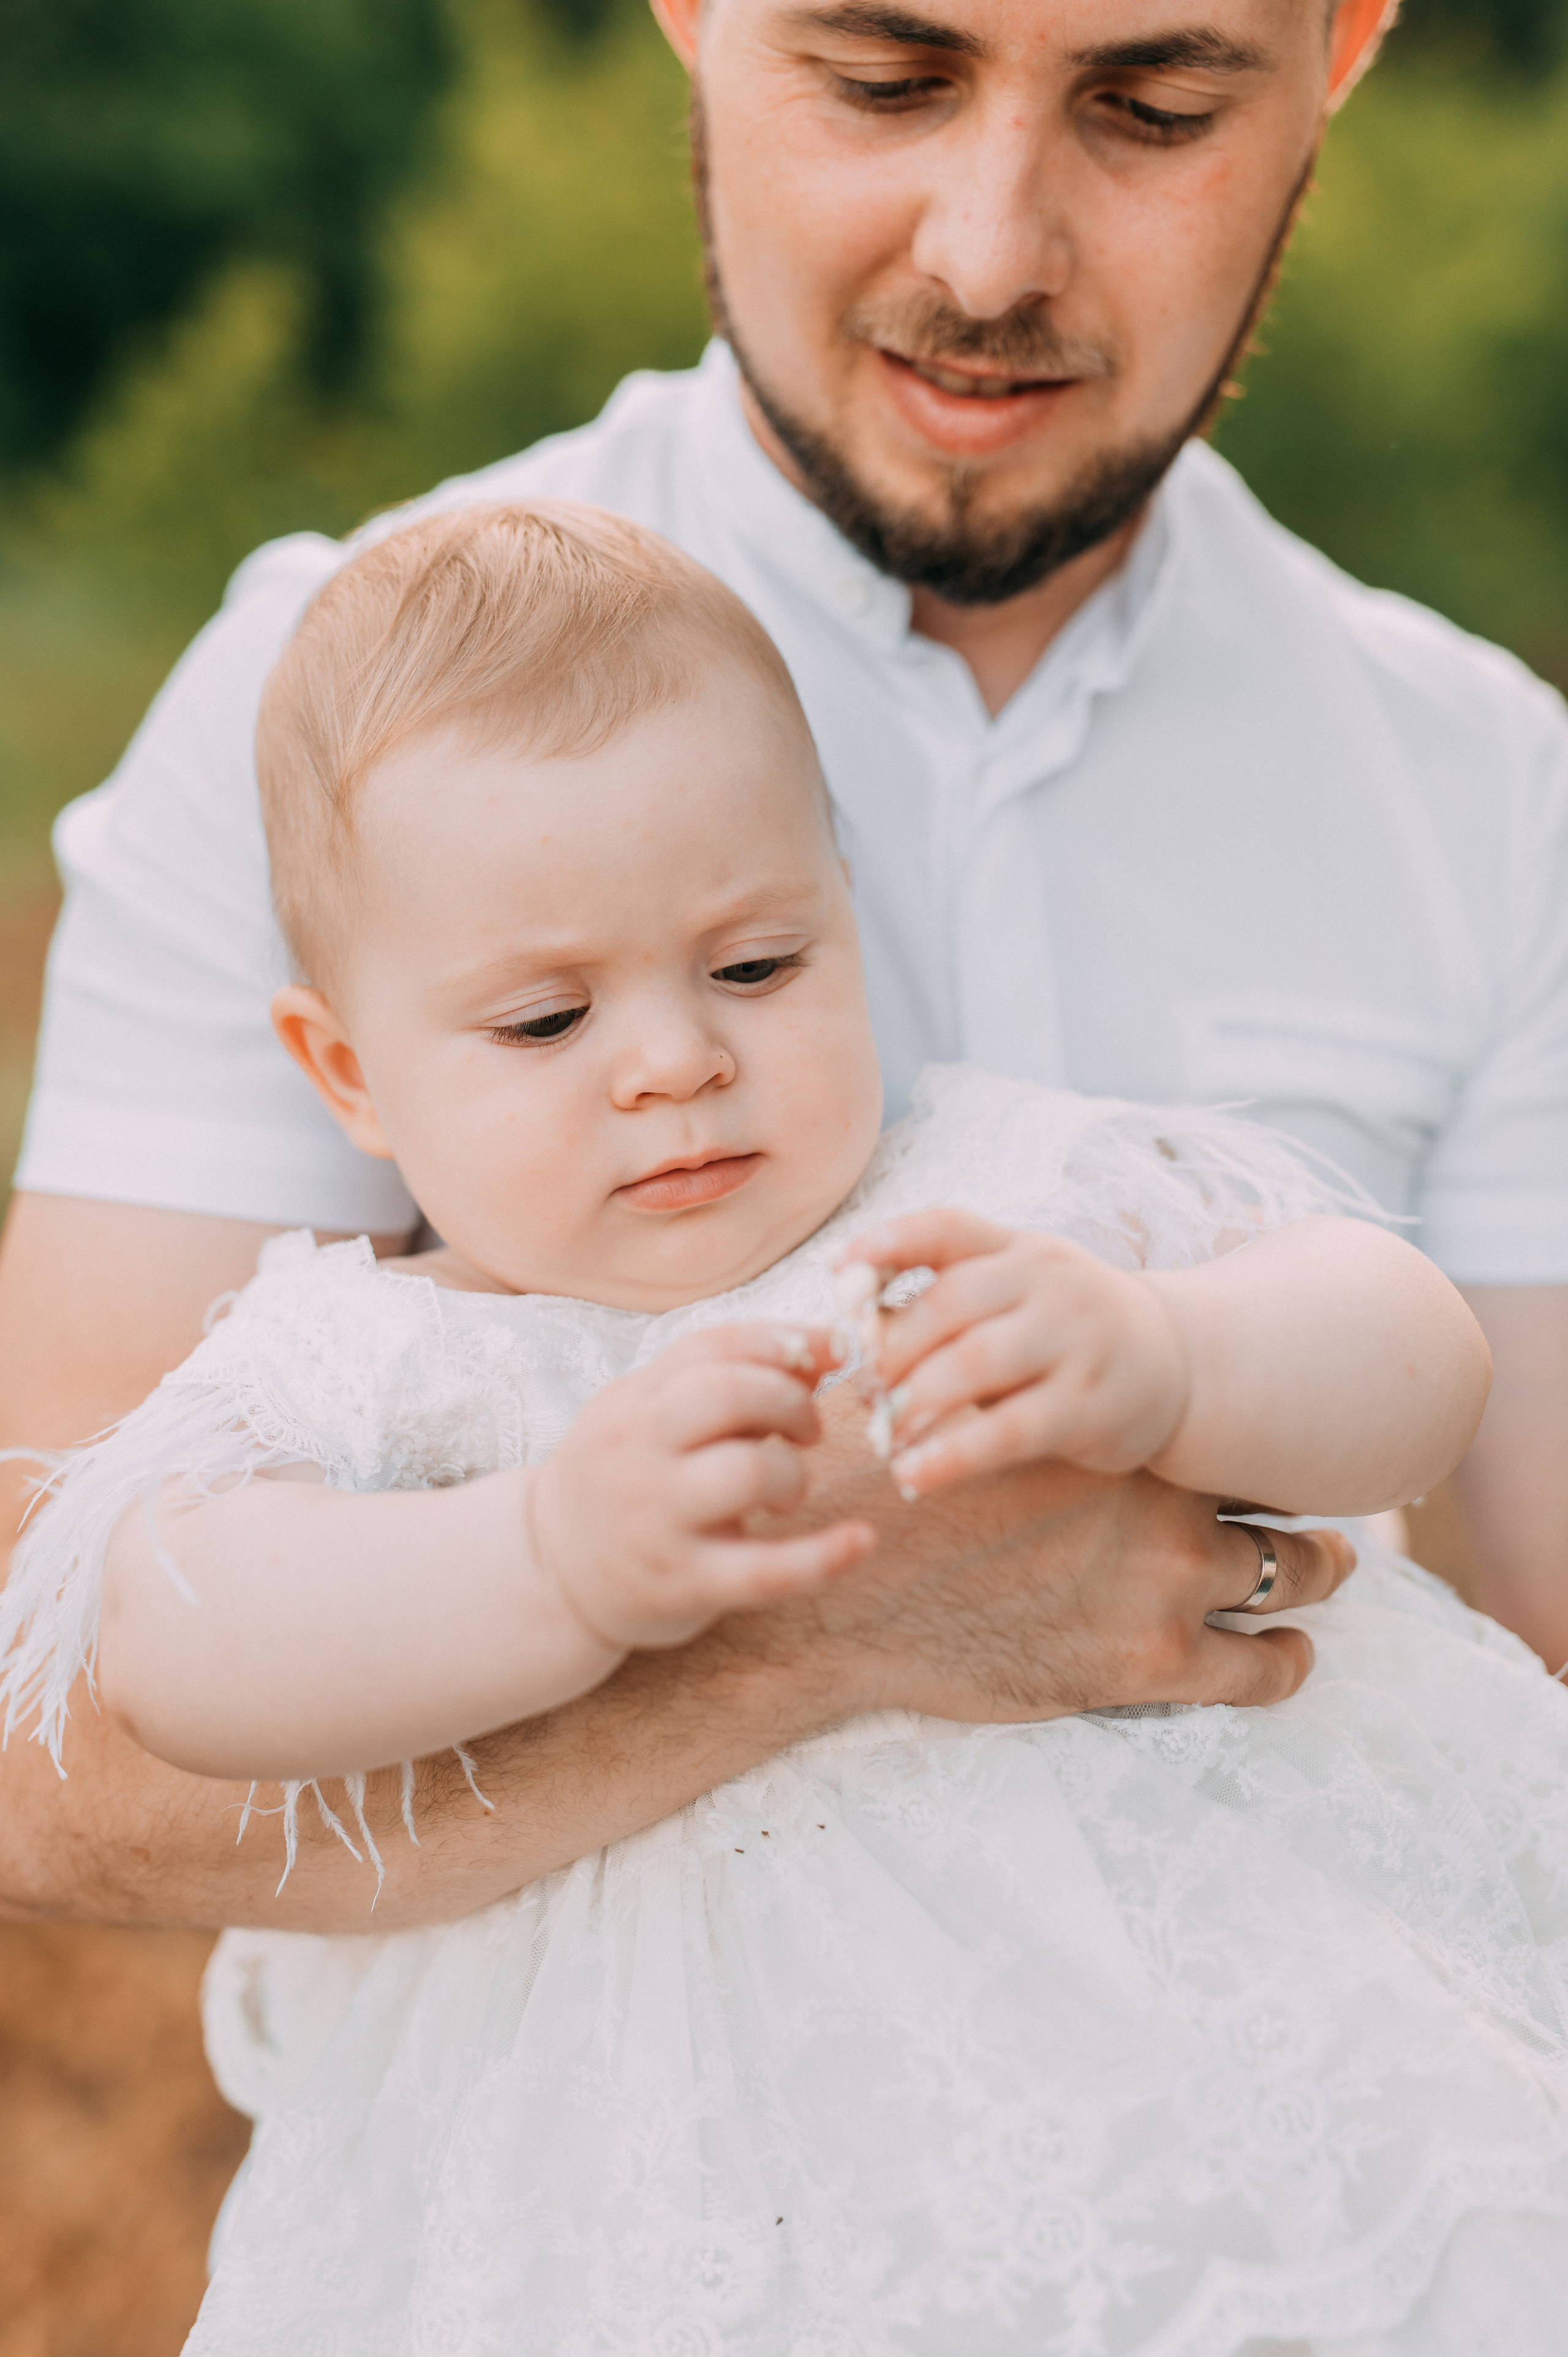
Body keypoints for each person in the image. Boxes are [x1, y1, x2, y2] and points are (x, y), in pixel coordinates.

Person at [2, 0, 1564, 1940]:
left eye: (1152, 110)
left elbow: (1478, 1465)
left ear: (1341, 56)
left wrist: (1182, 1363)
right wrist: (817, 1637)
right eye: (883, 82)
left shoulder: (1490, 783)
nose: (989, 256)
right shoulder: (329, 721)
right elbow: (51, 1748)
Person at [9, 502, 1564, 2355]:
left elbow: (1411, 1358)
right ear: (350, 1073)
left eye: (753, 967)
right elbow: (167, 1640)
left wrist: (1172, 1354)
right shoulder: (380, 1364)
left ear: (842, 908)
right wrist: (537, 1559)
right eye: (545, 1018)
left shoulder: (993, 1203)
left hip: (1201, 2097)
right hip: (635, 2202)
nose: (673, 1060)